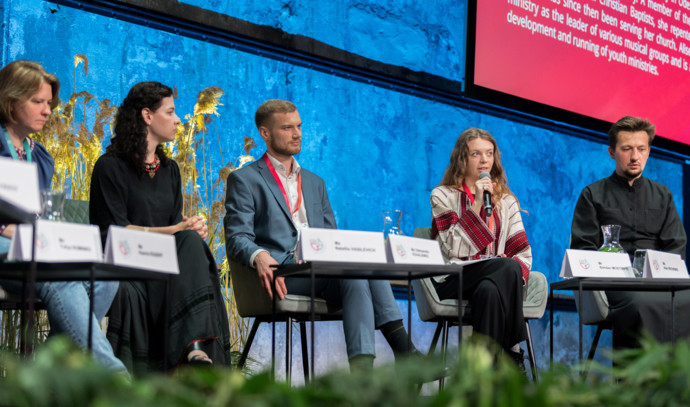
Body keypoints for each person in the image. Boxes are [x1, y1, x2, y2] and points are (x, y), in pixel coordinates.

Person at [224, 99, 417, 371]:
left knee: (358, 272)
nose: (297, 134)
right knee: (357, 272)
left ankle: (363, 377)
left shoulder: (315, 182)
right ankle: (402, 348)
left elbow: (332, 238)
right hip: (281, 274)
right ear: (265, 133)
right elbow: (236, 237)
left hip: (321, 271)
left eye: (299, 126)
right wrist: (259, 254)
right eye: (287, 127)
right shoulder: (245, 179)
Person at [89, 81, 231, 374]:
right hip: (124, 260)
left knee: (192, 241)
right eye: (171, 111)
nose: (179, 119)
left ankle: (193, 349)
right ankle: (193, 348)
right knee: (188, 241)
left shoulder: (170, 171)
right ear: (147, 115)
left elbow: (174, 228)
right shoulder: (109, 167)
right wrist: (177, 231)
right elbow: (113, 234)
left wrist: (189, 229)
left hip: (164, 263)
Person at [0, 60, 127, 373]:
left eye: (49, 103)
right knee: (58, 273)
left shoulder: (41, 156)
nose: (47, 110)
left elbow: (38, 212)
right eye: (38, 102)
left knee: (106, 274)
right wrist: (7, 229)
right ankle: (115, 377)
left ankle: (38, 374)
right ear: (12, 102)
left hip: (33, 246)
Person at [570, 116, 690, 348]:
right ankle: (637, 382)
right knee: (640, 301)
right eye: (626, 149)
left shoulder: (662, 194)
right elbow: (582, 249)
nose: (635, 157)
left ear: (648, 151)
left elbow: (677, 247)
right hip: (614, 285)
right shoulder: (592, 194)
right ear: (612, 152)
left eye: (641, 149)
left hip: (658, 281)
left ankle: (679, 380)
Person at [429, 127, 531, 364]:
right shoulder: (442, 196)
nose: (484, 160)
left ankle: (481, 376)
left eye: (489, 153)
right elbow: (453, 249)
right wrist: (475, 204)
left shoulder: (506, 200)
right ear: (461, 159)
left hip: (491, 280)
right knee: (505, 268)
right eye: (476, 154)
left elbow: (521, 253)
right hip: (452, 279)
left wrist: (504, 266)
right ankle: (512, 352)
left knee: (490, 289)